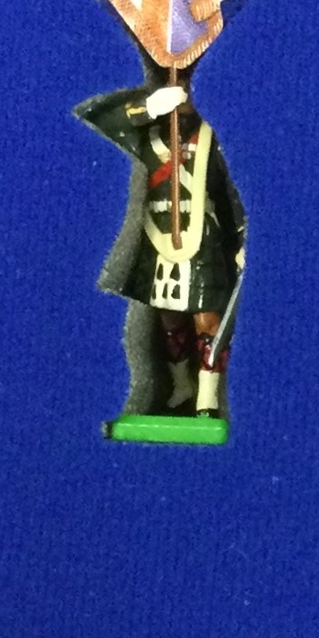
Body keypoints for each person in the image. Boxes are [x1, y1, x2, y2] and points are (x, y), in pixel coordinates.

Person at [76, 75, 247, 419]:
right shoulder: (147, 136)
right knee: (169, 319)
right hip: (158, 237)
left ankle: (207, 397)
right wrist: (147, 108)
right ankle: (181, 385)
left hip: (202, 238)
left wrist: (241, 236)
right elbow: (102, 119)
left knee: (208, 320)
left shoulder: (211, 139)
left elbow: (231, 192)